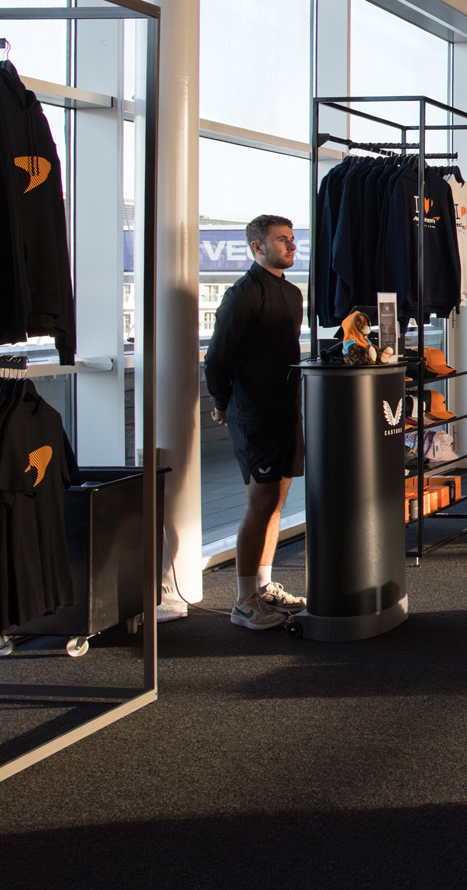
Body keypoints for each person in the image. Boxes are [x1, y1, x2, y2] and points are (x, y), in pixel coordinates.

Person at [204, 215, 309, 631]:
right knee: (259, 503)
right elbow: (217, 356)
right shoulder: (242, 294)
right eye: (282, 240)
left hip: (285, 409)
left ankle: (263, 587)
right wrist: (220, 401)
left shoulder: (292, 293)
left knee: (275, 503)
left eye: (292, 240)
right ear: (257, 247)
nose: (291, 246)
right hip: (253, 413)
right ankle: (243, 602)